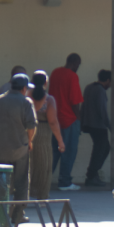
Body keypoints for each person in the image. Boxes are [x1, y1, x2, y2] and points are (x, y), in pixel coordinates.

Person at [0, 73, 37, 223]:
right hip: (19, 150)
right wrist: (29, 141)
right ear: (24, 88)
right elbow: (31, 126)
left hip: (0, 150)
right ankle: (18, 215)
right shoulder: (25, 102)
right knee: (21, 183)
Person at [27, 71, 65, 199]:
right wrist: (60, 141)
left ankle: (25, 194)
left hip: (27, 132)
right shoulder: (49, 99)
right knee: (44, 164)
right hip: (43, 134)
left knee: (28, 165)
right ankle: (42, 195)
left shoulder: (27, 97)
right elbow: (53, 122)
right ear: (46, 83)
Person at [49, 54, 84, 191]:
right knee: (69, 151)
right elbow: (75, 101)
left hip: (55, 119)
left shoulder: (55, 73)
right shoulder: (72, 76)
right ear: (75, 63)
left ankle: (44, 178)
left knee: (54, 152)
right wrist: (79, 117)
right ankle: (65, 181)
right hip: (69, 119)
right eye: (78, 65)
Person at [81, 69, 112, 187]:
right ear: (108, 80)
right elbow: (102, 110)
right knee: (102, 149)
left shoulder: (89, 87)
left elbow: (83, 105)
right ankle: (92, 175)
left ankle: (93, 174)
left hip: (89, 123)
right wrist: (109, 125)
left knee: (101, 149)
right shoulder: (100, 91)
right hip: (98, 125)